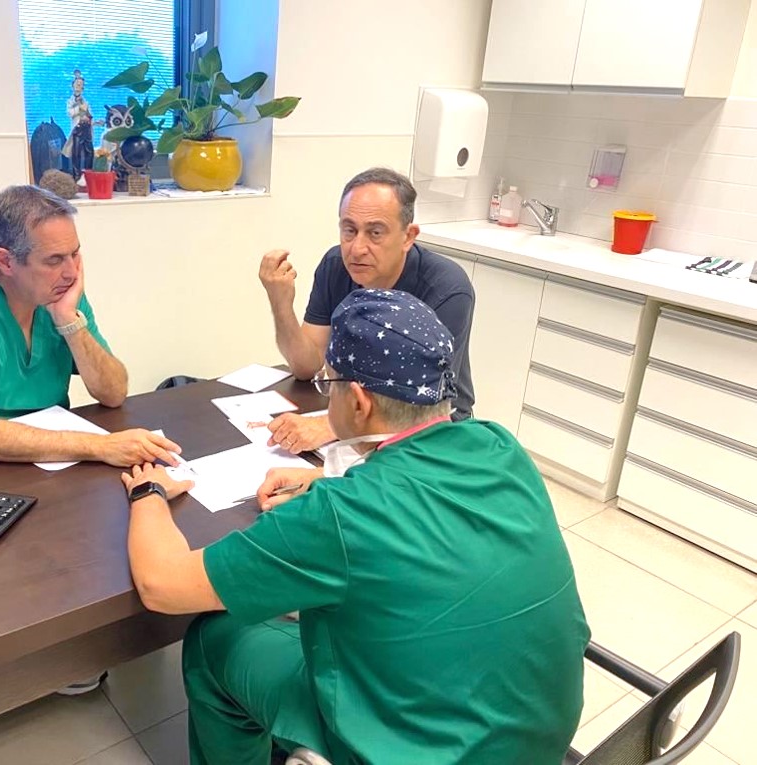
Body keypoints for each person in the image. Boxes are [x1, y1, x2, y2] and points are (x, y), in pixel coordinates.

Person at [119, 289, 589, 764]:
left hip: (420, 752)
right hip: (539, 741)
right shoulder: (498, 445)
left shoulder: (338, 515)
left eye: (330, 384)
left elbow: (162, 586)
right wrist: (327, 480)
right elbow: (428, 506)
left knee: (213, 639)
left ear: (358, 401)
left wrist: (148, 491)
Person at [0, 185, 180, 468]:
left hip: (36, 455)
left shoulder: (60, 296)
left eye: (74, 254)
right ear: (6, 261)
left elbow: (113, 393)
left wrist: (70, 323)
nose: (71, 273)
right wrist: (101, 446)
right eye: (54, 260)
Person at [258, 166, 475, 455]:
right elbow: (306, 367)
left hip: (430, 431)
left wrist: (329, 427)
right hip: (356, 416)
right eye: (349, 230)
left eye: (375, 233)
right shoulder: (335, 266)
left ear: (408, 236)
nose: (357, 248)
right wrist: (281, 304)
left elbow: (427, 405)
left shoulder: (446, 288)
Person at [62, 69, 95, 180]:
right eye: (77, 84)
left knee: (89, 152)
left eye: (80, 85)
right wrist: (79, 108)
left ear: (83, 88)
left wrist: (91, 119)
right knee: (76, 153)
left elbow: (89, 114)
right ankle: (76, 175)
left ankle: (88, 174)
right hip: (78, 129)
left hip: (87, 129)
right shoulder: (70, 101)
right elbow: (70, 113)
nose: (78, 86)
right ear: (72, 86)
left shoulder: (86, 102)